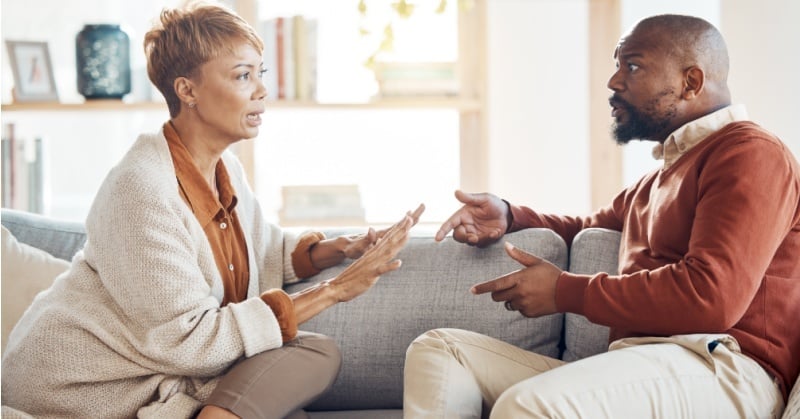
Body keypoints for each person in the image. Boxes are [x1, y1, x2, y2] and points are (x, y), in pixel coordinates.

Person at [1, 3, 424, 419]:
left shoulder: (225, 168)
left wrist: (341, 249)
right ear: (187, 91)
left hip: (160, 372)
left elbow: (261, 251)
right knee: (309, 356)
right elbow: (189, 340)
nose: (261, 90)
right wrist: (335, 289)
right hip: (78, 388)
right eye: (243, 76)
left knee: (301, 372)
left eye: (261, 73)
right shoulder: (140, 189)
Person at [403, 13, 799, 419]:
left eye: (633, 65)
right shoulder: (654, 181)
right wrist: (509, 216)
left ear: (690, 82)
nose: (613, 82)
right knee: (442, 349)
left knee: (527, 405)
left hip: (726, 372)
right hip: (640, 367)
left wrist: (564, 292)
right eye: (616, 65)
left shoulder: (750, 155)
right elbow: (585, 227)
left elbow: (711, 296)